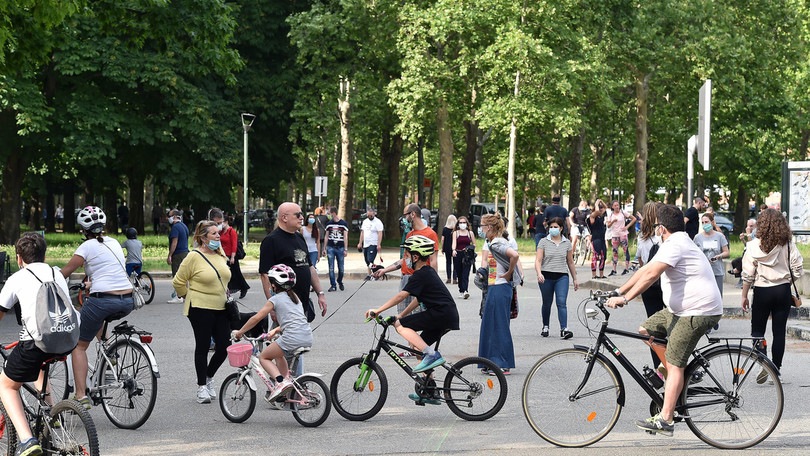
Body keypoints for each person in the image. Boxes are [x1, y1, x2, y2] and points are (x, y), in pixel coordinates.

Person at [605, 204, 722, 437]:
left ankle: (666, 418)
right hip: (680, 310)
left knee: (676, 362)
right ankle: (669, 373)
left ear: (661, 228)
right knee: (645, 329)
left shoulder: (677, 244)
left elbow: (651, 275)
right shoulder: (675, 242)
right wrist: (618, 291)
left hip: (697, 312)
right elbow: (644, 269)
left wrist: (626, 299)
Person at [0, 233, 78, 456]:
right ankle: (53, 415)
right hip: (65, 339)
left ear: (18, 258)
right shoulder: (56, 272)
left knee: (6, 385)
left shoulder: (17, 277)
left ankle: (26, 441)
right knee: (40, 366)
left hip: (35, 343)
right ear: (44, 255)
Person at [60, 206, 135, 410]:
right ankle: (111, 353)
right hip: (127, 299)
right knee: (95, 319)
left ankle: (81, 396)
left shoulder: (86, 247)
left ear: (84, 230)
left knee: (79, 346)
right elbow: (109, 272)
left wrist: (48, 278)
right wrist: (89, 284)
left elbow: (65, 273)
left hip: (103, 300)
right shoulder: (114, 243)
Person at [365, 235, 459, 395]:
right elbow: (418, 299)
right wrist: (401, 314)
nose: (404, 259)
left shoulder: (421, 274)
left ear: (415, 257)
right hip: (445, 315)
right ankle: (430, 389)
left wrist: (378, 310)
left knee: (400, 325)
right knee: (416, 347)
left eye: (406, 255)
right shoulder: (426, 273)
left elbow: (402, 296)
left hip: (441, 314)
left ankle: (431, 355)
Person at [172, 220, 233, 404]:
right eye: (213, 233)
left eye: (218, 233)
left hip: (221, 306)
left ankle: (208, 376)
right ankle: (201, 387)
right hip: (199, 307)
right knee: (203, 345)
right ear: (203, 237)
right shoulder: (193, 256)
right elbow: (178, 282)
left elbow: (224, 278)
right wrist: (186, 296)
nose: (218, 236)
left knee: (224, 346)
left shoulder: (220, 254)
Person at [741, 209, 804, 383]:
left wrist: (744, 295)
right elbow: (797, 267)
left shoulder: (753, 245)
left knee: (757, 332)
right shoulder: (788, 244)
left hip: (762, 290)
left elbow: (748, 273)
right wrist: (787, 283)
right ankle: (776, 369)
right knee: (779, 333)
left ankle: (764, 364)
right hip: (782, 290)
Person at [233, 264, 313, 401]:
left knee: (264, 357)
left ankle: (281, 382)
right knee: (278, 355)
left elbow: (257, 317)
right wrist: (275, 330)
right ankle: (286, 384)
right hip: (307, 336)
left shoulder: (274, 299)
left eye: (271, 283)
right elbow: (294, 321)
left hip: (292, 338)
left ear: (275, 285)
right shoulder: (295, 298)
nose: (270, 286)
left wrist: (240, 332)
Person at [259, 202, 327, 323]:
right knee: (284, 340)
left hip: (302, 303)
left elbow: (310, 267)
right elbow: (265, 275)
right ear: (284, 217)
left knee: (301, 339)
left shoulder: (299, 237)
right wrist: (272, 307)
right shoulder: (271, 241)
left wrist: (320, 293)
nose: (302, 217)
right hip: (285, 306)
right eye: (298, 215)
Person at [373, 204, 440, 315]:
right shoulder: (409, 234)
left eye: (405, 215)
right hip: (405, 279)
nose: (404, 219)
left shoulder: (430, 234)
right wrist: (384, 270)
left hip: (419, 279)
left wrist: (433, 282)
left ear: (413, 214)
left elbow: (433, 261)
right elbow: (405, 260)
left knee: (418, 316)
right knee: (403, 318)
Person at [477, 213, 519, 375]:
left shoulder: (496, 243)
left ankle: (503, 363)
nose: (480, 229)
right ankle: (490, 361)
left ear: (489, 228)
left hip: (500, 288)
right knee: (491, 324)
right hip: (496, 287)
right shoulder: (493, 242)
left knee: (499, 325)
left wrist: (509, 273)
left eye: (482, 226)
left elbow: (514, 255)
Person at [535, 217, 578, 339]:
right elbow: (538, 260)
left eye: (556, 227)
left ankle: (564, 329)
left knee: (561, 302)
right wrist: (539, 273)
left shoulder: (567, 243)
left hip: (562, 276)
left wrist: (575, 278)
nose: (553, 229)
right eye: (551, 227)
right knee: (547, 303)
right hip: (546, 276)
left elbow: (570, 262)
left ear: (561, 228)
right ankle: (545, 326)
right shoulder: (543, 242)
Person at [635, 201, 665, 367]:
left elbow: (641, 261)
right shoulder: (662, 236)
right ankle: (672, 363)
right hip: (664, 284)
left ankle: (658, 365)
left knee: (652, 328)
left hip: (649, 285)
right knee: (669, 325)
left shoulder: (641, 237)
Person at [210, 210, 249, 299]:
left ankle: (243, 287)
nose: (220, 225)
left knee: (236, 274)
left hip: (231, 256)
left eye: (221, 222)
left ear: (226, 222)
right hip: (223, 255)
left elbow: (234, 244)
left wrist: (232, 256)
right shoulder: (220, 232)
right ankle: (228, 289)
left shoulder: (231, 231)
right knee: (228, 274)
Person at [693, 212, 729, 295]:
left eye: (706, 222)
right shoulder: (697, 237)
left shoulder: (719, 236)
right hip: (703, 271)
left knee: (717, 294)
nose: (704, 224)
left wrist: (718, 256)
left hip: (717, 270)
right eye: (703, 222)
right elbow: (694, 254)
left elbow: (726, 252)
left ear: (712, 222)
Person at [605, 200, 636, 276]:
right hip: (615, 234)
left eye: (618, 205)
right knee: (615, 251)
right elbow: (608, 225)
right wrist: (613, 221)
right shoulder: (611, 214)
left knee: (625, 250)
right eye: (615, 205)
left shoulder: (623, 212)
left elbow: (634, 219)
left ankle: (626, 268)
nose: (617, 207)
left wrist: (627, 227)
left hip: (623, 233)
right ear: (612, 207)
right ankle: (614, 269)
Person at [167, 209, 190, 303]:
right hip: (185, 253)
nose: (168, 218)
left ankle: (178, 296)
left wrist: (170, 255)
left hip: (178, 254)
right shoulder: (184, 226)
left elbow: (174, 242)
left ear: (175, 216)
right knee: (185, 276)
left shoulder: (175, 227)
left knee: (177, 275)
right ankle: (186, 295)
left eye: (170, 216)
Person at [324, 207, 350, 292]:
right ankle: (333, 285)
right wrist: (324, 248)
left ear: (334, 213)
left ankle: (339, 280)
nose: (329, 215)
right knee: (331, 267)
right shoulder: (329, 224)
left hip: (340, 247)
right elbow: (326, 236)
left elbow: (345, 236)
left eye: (329, 213)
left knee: (341, 268)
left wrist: (345, 249)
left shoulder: (343, 223)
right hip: (330, 247)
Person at [452, 215, 476, 299]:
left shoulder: (470, 233)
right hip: (458, 254)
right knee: (459, 273)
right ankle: (461, 290)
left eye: (464, 222)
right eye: (461, 222)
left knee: (465, 273)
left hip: (467, 256)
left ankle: (465, 290)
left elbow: (474, 244)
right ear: (458, 224)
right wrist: (453, 250)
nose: (462, 224)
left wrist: (469, 249)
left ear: (467, 223)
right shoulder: (456, 233)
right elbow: (454, 243)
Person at [357, 207, 384, 275]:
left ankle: (374, 273)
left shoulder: (377, 222)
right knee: (367, 261)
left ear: (374, 214)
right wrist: (360, 243)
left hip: (373, 243)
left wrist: (378, 244)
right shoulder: (365, 222)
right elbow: (362, 232)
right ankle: (370, 274)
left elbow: (380, 233)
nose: (370, 217)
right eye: (368, 215)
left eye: (371, 215)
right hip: (366, 244)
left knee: (370, 260)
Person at [587, 199, 608, 279]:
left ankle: (601, 274)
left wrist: (601, 201)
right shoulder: (591, 217)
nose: (600, 209)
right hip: (596, 239)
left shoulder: (601, 217)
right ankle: (594, 275)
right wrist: (596, 204)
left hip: (602, 239)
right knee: (595, 256)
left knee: (603, 257)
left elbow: (605, 208)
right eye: (599, 208)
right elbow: (597, 212)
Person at [440, 214, 457, 284]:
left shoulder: (445, 229)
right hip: (455, 247)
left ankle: (449, 278)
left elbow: (442, 239)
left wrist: (442, 247)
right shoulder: (456, 229)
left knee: (448, 262)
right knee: (455, 263)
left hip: (447, 247)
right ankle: (455, 278)